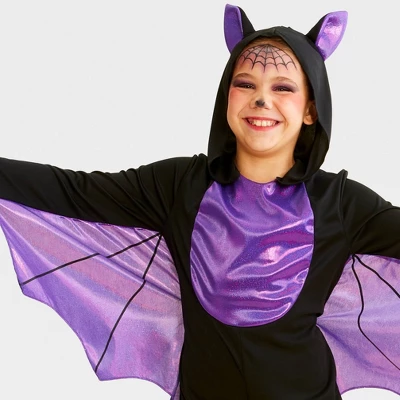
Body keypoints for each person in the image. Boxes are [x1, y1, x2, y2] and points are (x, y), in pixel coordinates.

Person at [0, 3, 399, 400]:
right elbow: (73, 192)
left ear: (311, 108)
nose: (261, 100)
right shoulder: (181, 187)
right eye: (245, 84)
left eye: (283, 87)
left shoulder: (339, 205)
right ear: (227, 97)